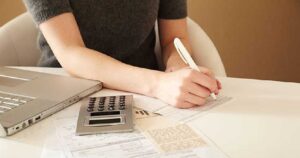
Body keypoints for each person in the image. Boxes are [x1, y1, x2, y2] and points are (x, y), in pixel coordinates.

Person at [23, 0, 221, 108]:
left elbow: (174, 39)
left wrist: (179, 69)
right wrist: (158, 84)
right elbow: (70, 52)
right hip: (67, 94)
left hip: (146, 98)